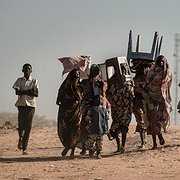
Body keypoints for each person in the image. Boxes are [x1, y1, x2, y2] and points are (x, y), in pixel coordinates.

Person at [77, 64, 107, 156]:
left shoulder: (100, 83)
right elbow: (78, 89)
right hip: (88, 107)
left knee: (97, 128)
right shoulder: (86, 82)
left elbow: (103, 94)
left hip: (97, 107)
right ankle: (86, 148)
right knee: (85, 127)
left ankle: (93, 149)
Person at [145, 55, 172, 149]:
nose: (160, 63)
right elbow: (149, 80)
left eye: (162, 62)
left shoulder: (167, 72)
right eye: (159, 61)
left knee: (160, 120)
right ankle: (155, 143)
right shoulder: (151, 71)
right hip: (152, 100)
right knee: (152, 120)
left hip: (162, 101)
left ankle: (160, 136)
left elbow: (165, 82)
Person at [106, 63, 134, 153]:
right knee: (121, 127)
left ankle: (120, 147)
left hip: (120, 108)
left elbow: (109, 94)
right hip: (122, 108)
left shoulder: (114, 81)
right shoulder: (127, 82)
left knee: (119, 127)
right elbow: (132, 95)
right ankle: (121, 147)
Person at [13, 63, 39, 155]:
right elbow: (17, 92)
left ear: (31, 71)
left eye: (29, 69)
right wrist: (29, 91)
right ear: (22, 70)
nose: (27, 70)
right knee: (21, 124)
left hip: (31, 105)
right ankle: (20, 137)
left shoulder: (34, 80)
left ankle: (24, 148)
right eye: (25, 69)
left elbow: (36, 94)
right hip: (21, 104)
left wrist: (23, 92)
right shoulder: (19, 80)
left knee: (28, 127)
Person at [56, 69, 83, 158]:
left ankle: (72, 151)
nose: (76, 78)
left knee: (75, 130)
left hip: (76, 112)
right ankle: (68, 147)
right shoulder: (66, 87)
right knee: (67, 131)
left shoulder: (80, 87)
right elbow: (59, 100)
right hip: (67, 113)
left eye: (78, 76)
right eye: (75, 76)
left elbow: (81, 97)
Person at [85, 95, 109, 159]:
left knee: (100, 144)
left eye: (100, 99)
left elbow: (106, 119)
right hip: (92, 129)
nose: (99, 100)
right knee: (90, 143)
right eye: (97, 99)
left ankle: (98, 154)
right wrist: (89, 124)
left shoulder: (104, 110)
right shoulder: (91, 109)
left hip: (101, 130)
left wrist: (107, 129)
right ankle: (91, 150)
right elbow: (87, 118)